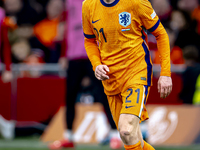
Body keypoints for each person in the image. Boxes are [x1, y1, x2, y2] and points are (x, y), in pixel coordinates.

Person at [82, 0, 172, 150]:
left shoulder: (136, 2)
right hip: (110, 79)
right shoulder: (88, 5)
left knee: (126, 129)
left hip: (136, 72)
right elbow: (89, 40)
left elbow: (161, 34)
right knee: (131, 137)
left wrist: (165, 73)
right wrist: (96, 64)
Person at [49, 0, 120, 149]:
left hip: (95, 55)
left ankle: (115, 135)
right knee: (70, 96)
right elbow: (67, 26)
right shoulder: (68, 3)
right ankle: (68, 137)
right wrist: (63, 54)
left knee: (105, 94)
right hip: (73, 56)